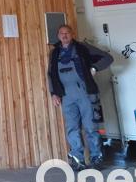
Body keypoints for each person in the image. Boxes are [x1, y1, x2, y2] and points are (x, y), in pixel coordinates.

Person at [47, 24, 113, 171]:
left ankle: (97, 158)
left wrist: (94, 68)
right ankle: (78, 159)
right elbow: (51, 74)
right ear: (58, 36)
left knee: (91, 127)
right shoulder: (54, 52)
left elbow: (108, 58)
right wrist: (54, 93)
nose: (64, 35)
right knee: (72, 128)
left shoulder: (83, 48)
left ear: (72, 34)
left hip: (86, 93)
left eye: (67, 33)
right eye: (62, 33)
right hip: (66, 96)